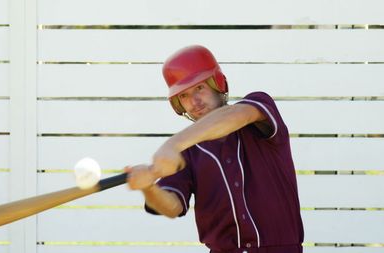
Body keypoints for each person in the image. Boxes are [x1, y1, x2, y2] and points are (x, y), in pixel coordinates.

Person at [125, 45, 304, 253]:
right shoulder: (187, 152)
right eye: (184, 96)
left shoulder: (257, 107)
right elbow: (173, 207)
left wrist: (172, 144)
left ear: (218, 83)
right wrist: (149, 187)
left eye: (200, 87)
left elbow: (235, 116)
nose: (194, 102)